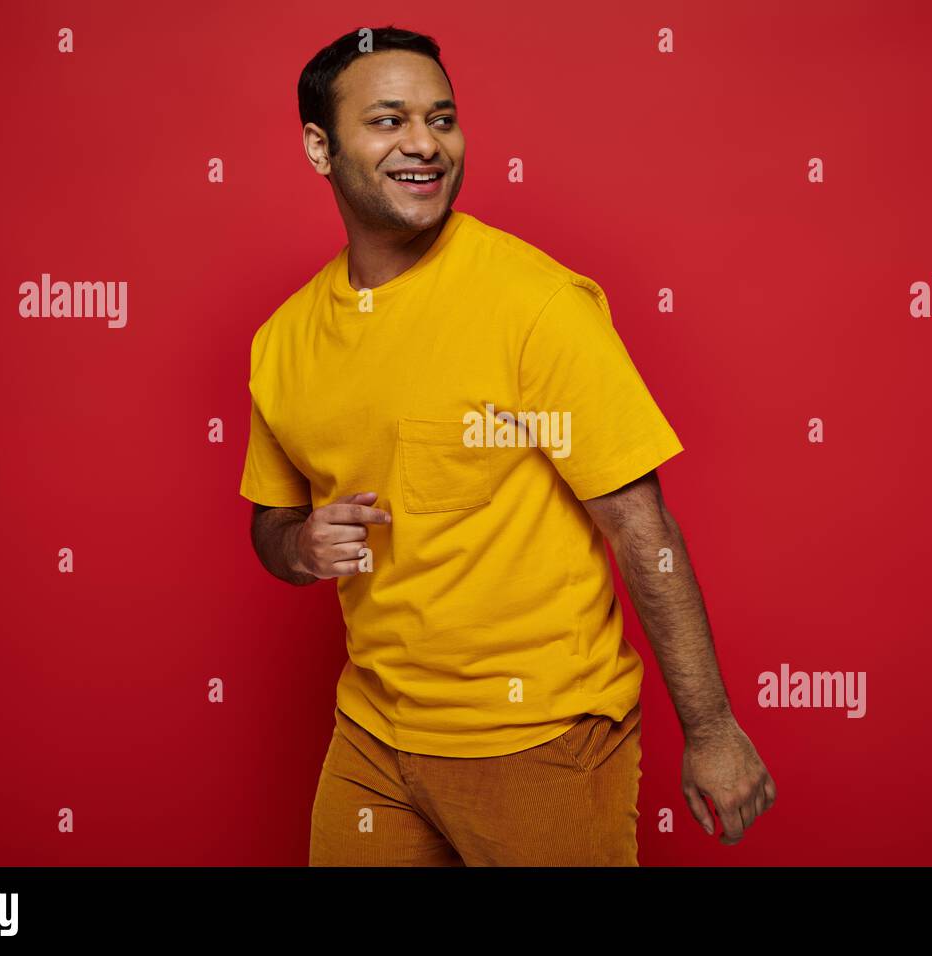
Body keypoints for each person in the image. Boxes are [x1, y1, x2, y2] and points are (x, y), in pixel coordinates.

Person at [239, 25, 775, 866]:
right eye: (387, 121)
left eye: (442, 118)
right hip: (372, 738)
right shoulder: (282, 344)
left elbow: (644, 530)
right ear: (319, 147)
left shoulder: (537, 304)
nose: (425, 143)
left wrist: (712, 730)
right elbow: (270, 528)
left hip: (543, 739)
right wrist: (301, 545)